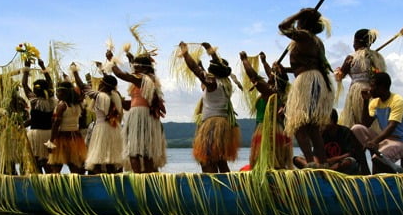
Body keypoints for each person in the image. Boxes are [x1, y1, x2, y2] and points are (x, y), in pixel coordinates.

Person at [279, 7, 335, 165]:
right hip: (315, 81)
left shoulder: (304, 36)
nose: (296, 23)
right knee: (312, 126)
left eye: (298, 21)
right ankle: (322, 163)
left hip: (307, 82)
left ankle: (310, 162)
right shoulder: (316, 41)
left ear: (303, 22)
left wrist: (299, 13)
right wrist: (285, 70)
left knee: (298, 123)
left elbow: (282, 27)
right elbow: (306, 64)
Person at [180, 42, 239, 173]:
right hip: (222, 123)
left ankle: (212, 188)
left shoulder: (213, 84)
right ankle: (229, 187)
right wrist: (211, 52)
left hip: (212, 124)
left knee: (206, 159)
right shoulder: (225, 83)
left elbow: (195, 70)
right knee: (220, 159)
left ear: (213, 72)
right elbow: (210, 69)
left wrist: (185, 54)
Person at [112, 49, 167, 173]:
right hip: (145, 116)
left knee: (135, 150)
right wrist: (130, 57)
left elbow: (122, 75)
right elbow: (132, 71)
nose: (134, 68)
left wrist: (112, 62)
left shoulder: (143, 79)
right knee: (145, 150)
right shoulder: (149, 78)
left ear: (144, 68)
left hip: (140, 115)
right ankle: (147, 177)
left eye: (137, 66)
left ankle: (140, 177)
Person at [350, 72, 403, 174]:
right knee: (356, 128)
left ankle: (384, 179)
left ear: (382, 87)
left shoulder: (397, 101)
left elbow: (391, 126)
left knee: (378, 159)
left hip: (400, 141)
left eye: (372, 86)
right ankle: (363, 166)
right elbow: (365, 124)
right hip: (384, 139)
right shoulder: (375, 102)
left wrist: (374, 141)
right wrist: (366, 102)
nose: (370, 89)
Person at [240, 50, 291, 169]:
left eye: (272, 74)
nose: (269, 75)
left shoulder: (269, 92)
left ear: (275, 80)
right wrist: (264, 62)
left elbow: (253, 76)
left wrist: (244, 60)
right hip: (278, 131)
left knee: (264, 163)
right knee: (277, 163)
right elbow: (271, 75)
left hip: (267, 132)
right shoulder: (281, 92)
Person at [335, 28, 386, 128]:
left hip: (357, 91)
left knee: (355, 121)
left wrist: (337, 71)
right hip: (373, 92)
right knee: (372, 122)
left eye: (353, 42)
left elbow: (340, 76)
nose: (353, 45)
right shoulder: (377, 57)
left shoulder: (352, 57)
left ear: (357, 41)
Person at [83, 73, 125, 174]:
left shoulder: (100, 96)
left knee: (98, 159)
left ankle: (101, 182)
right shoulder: (116, 95)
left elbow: (84, 88)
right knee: (111, 159)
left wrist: (75, 72)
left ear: (104, 85)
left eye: (101, 82)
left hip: (102, 129)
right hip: (114, 129)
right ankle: (112, 182)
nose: (99, 84)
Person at [0, 89, 30, 175]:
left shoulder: (3, 112)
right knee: (9, 163)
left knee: (9, 163)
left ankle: (13, 175)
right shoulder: (2, 112)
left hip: (8, 141)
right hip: (4, 141)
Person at [22, 57, 56, 173]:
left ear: (36, 91)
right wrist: (42, 66)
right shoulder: (51, 101)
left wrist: (26, 68)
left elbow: (24, 85)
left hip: (35, 135)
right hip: (49, 134)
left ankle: (39, 187)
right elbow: (51, 84)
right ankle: (51, 185)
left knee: (35, 163)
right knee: (48, 163)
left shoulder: (35, 101)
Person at [46, 81, 87, 174]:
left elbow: (56, 124)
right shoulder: (78, 105)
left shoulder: (62, 105)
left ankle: (56, 187)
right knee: (74, 166)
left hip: (62, 137)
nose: (56, 94)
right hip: (75, 137)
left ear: (65, 93)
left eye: (58, 92)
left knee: (56, 166)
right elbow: (81, 122)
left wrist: (51, 141)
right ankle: (75, 185)